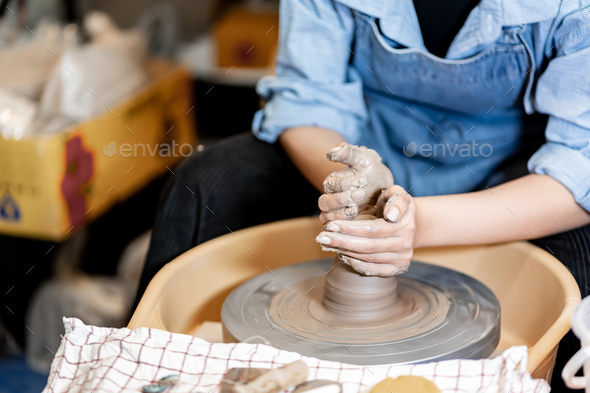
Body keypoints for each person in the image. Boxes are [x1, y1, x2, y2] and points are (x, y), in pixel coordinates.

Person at [136, 0, 590, 388]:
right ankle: (143, 367)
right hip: (362, 154)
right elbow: (308, 103)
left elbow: (580, 164)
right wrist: (363, 190)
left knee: (581, 272)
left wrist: (418, 224)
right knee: (205, 184)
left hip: (513, 184)